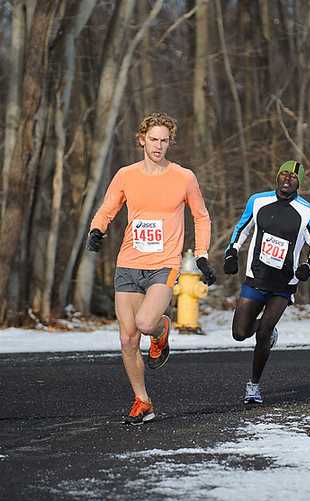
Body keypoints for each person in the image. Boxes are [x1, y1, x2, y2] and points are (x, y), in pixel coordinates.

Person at [87, 112, 215, 424]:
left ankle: (161, 330)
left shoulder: (184, 177)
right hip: (129, 263)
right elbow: (109, 207)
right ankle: (142, 401)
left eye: (164, 140)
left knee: (145, 323)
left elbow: (201, 216)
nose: (158, 146)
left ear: (171, 143)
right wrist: (97, 229)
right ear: (142, 139)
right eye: (153, 139)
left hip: (164, 264)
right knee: (128, 339)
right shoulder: (126, 175)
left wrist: (201, 254)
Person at [224, 160, 310, 404]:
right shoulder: (257, 201)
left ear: (299, 182)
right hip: (256, 277)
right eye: (284, 174)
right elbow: (242, 229)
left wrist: (309, 266)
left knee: (264, 333)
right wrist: (231, 252)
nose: (288, 179)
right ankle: (265, 330)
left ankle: (253, 387)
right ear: (277, 177)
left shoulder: (308, 212)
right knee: (239, 333)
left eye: (293, 176)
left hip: (283, 284)